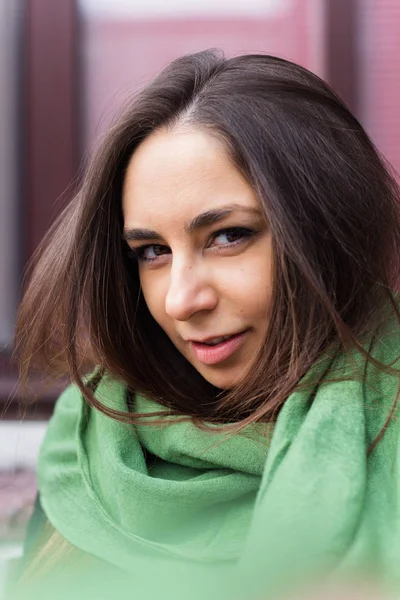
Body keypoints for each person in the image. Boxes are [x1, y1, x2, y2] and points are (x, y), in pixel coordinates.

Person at [9, 49, 400, 599]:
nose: (180, 300)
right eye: (151, 251)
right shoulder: (91, 443)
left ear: (326, 229)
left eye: (228, 236)